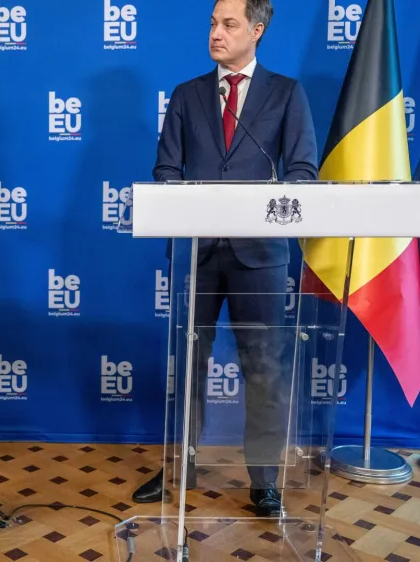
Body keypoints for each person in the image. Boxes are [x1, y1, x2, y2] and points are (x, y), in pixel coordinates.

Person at [130, 0, 318, 517]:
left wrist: (262, 199)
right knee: (188, 361)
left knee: (264, 368)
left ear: (256, 31)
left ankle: (263, 480)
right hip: (198, 251)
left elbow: (303, 171)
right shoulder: (188, 95)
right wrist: (188, 198)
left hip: (259, 255)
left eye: (229, 24)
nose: (216, 32)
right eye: (213, 23)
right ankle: (181, 466)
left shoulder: (287, 93)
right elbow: (166, 169)